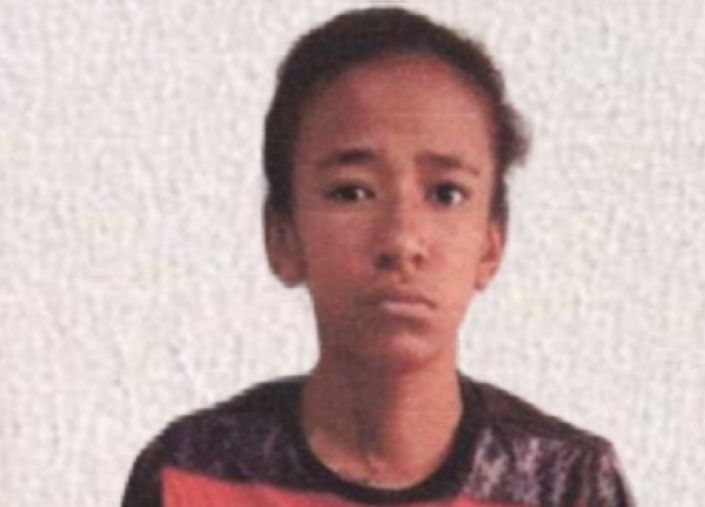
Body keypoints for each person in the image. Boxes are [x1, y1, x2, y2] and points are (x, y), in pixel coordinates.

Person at [121, 7, 635, 507]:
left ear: (491, 244)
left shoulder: (566, 483)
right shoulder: (191, 473)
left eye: (446, 193)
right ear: (282, 236)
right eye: (351, 192)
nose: (401, 241)